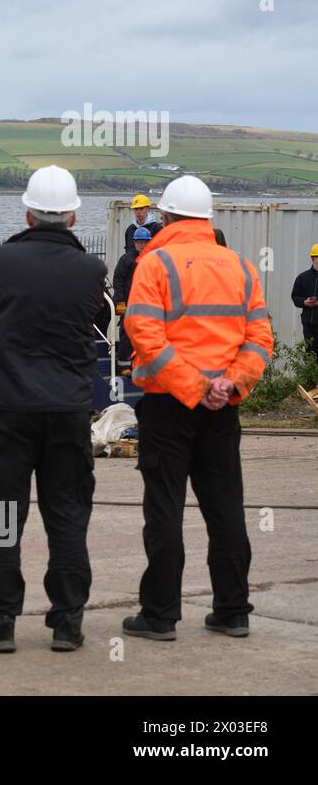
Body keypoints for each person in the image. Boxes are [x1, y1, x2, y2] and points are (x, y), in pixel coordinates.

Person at [121, 175, 272, 642]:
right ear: (209, 218)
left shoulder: (155, 262)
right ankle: (232, 610)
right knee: (225, 508)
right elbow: (260, 338)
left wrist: (192, 386)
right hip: (223, 407)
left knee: (164, 508)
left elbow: (144, 333)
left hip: (169, 405)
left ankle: (161, 614)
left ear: (164, 217)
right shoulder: (241, 266)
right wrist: (229, 383)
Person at [0, 165, 109, 655]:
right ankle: (68, 623)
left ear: (28, 213)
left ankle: (0, 622)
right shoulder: (92, 269)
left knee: (4, 516)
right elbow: (98, 320)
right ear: (72, 216)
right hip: (68, 411)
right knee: (68, 516)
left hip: (9, 409)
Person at [111, 226, 151, 365]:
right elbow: (118, 281)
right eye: (139, 242)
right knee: (126, 334)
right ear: (134, 243)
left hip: (147, 306)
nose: (142, 244)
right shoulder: (126, 260)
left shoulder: (153, 259)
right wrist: (119, 302)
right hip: (127, 305)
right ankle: (123, 365)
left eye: (145, 242)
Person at [291, 244, 318, 363]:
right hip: (309, 325)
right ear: (313, 258)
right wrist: (304, 302)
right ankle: (311, 382)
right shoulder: (302, 278)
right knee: (310, 357)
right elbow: (295, 297)